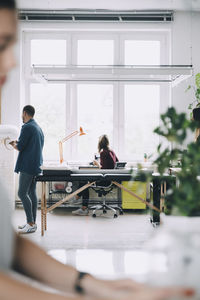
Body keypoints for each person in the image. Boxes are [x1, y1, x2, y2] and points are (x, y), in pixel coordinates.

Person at [0, 0, 195, 299]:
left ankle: (32, 221)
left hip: (72, 173)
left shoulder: (30, 128)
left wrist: (91, 283)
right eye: (2, 44)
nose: (12, 62)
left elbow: (6, 245)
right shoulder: (35, 127)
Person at [10, 105, 44, 234]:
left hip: (27, 166)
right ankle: (32, 223)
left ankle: (30, 223)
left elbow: (21, 147)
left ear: (24, 113)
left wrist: (13, 144)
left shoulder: (27, 127)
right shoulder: (38, 128)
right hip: (36, 165)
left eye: (22, 114)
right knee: (31, 193)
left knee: (22, 193)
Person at [72, 135, 119, 216]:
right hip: (110, 179)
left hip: (104, 180)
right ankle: (78, 199)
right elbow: (117, 162)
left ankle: (80, 204)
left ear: (100, 143)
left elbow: (103, 169)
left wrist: (97, 163)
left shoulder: (103, 152)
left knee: (84, 182)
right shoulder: (111, 151)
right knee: (85, 182)